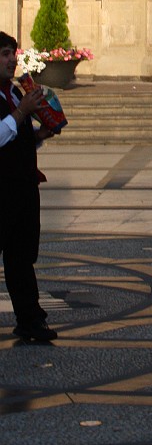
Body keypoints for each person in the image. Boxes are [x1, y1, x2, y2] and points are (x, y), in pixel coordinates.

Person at [0, 31, 58, 342]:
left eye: (13, 53)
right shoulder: (13, 101)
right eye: (5, 54)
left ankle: (30, 319)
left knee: (21, 258)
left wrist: (41, 134)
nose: (12, 60)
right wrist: (21, 112)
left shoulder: (12, 94)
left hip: (21, 189)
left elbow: (15, 141)